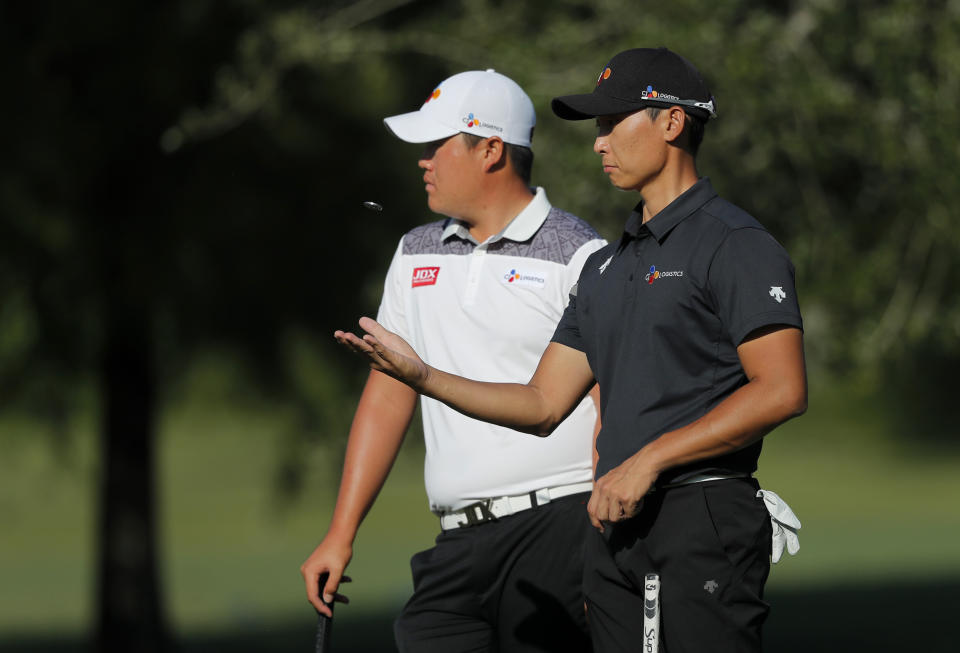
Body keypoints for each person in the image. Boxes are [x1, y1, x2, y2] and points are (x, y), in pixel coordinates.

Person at [335, 47, 807, 653]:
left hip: (700, 520)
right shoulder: (609, 267)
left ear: (671, 122)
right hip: (617, 534)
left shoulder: (735, 243)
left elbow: (781, 389)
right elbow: (541, 403)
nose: (598, 143)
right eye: (597, 127)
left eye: (613, 124)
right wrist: (423, 375)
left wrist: (649, 460)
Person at [301, 68, 607, 652]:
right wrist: (340, 534)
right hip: (458, 540)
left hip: (561, 530)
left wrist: (605, 543)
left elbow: (609, 406)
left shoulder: (579, 254)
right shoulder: (413, 250)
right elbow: (388, 394)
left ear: (491, 149)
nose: (424, 162)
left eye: (436, 146)